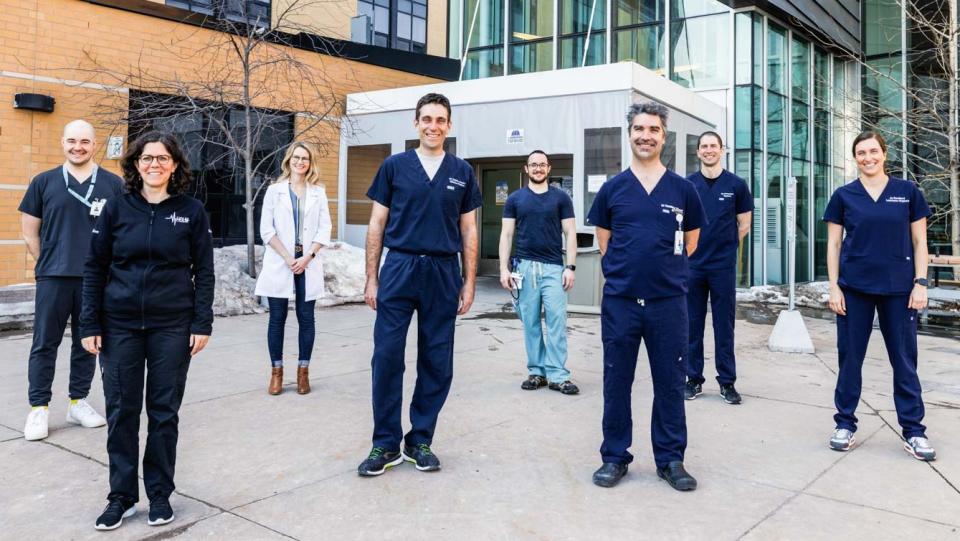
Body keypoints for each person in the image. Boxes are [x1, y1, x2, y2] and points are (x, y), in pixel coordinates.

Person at [80, 131, 215, 530]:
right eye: (146, 158)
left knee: (163, 412)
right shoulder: (116, 209)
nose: (154, 164)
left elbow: (204, 272)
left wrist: (201, 322)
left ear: (174, 165)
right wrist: (89, 322)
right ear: (135, 164)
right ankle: (121, 496)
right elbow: (94, 267)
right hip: (119, 325)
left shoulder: (191, 211)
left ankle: (159, 493)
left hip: (172, 326)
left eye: (162, 158)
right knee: (122, 412)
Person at [357, 93, 482, 476]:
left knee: (437, 360)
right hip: (400, 268)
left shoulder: (462, 171)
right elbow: (376, 225)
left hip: (443, 272)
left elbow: (469, 230)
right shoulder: (394, 167)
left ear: (449, 125)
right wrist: (372, 278)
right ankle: (384, 444)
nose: (433, 125)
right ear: (415, 123)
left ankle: (420, 439)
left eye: (440, 119)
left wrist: (469, 281)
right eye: (426, 119)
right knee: (388, 357)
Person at [587, 102, 706, 491]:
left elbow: (690, 240)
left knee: (670, 382)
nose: (645, 135)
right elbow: (604, 241)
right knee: (616, 381)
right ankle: (615, 456)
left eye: (653, 129)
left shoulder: (683, 190)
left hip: (668, 304)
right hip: (621, 303)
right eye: (639, 128)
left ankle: (670, 459)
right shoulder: (613, 189)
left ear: (663, 136)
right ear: (630, 133)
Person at [823, 131, 936, 461]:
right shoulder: (844, 195)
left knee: (904, 362)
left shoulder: (907, 192)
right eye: (861, 152)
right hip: (854, 290)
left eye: (873, 151)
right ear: (854, 157)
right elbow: (833, 244)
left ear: (884, 154)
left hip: (899, 290)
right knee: (850, 360)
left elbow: (920, 243)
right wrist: (834, 286)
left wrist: (921, 282)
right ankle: (844, 424)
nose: (867, 157)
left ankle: (914, 431)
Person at [18, 119, 124, 441]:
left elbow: (122, 231)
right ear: (63, 143)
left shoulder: (113, 184)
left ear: (94, 145)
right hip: (54, 276)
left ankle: (77, 402)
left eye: (85, 142)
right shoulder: (44, 182)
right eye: (72, 141)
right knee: (44, 343)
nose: (78, 147)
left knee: (88, 343)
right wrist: (47, 261)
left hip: (96, 280)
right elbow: (28, 229)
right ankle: (39, 407)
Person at [254, 142, 333, 395]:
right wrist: (289, 258)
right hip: (281, 260)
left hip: (307, 262)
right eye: (296, 157)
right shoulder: (274, 191)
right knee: (277, 319)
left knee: (306, 318)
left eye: (305, 159)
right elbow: (267, 230)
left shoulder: (318, 192)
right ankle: (276, 373)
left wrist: (307, 257)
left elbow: (325, 229)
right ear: (289, 161)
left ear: (310, 163)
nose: (300, 162)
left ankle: (303, 372)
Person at [498, 150, 579, 395]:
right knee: (530, 322)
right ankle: (537, 372)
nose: (538, 169)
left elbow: (571, 233)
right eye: (533, 165)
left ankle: (558, 375)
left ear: (549, 168)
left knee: (556, 321)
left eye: (542, 165)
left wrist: (570, 267)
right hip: (524, 267)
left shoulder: (561, 198)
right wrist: (504, 269)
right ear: (526, 169)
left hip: (554, 268)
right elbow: (507, 235)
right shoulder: (515, 199)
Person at [684, 132, 753, 404]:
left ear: (722, 150)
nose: (709, 150)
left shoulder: (736, 185)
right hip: (692, 265)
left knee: (724, 325)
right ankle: (693, 379)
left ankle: (727, 383)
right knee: (692, 324)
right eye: (704, 147)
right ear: (698, 152)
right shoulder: (688, 184)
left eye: (713, 146)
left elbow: (744, 224)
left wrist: (725, 246)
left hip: (722, 266)